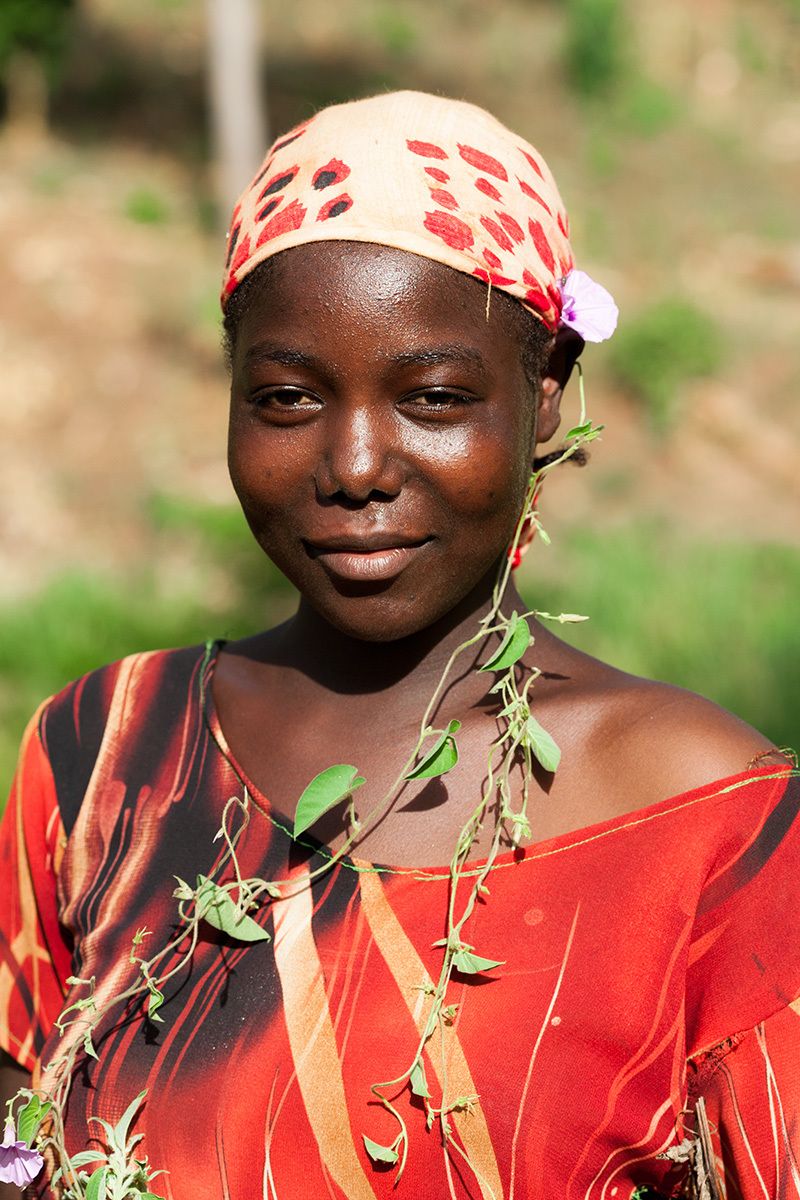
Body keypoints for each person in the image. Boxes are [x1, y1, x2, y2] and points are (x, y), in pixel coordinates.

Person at [0, 91, 797, 1200]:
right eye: (287, 398)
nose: (357, 463)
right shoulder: (105, 755)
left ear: (547, 399)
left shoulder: (708, 822)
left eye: (430, 396)